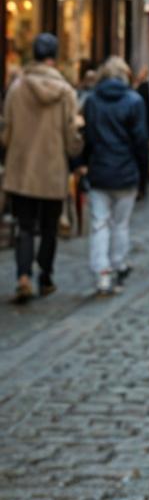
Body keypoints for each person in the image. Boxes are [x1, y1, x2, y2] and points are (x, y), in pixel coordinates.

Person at [1, 32, 83, 302]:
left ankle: (23, 277)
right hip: (52, 169)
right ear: (54, 57)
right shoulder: (65, 92)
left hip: (22, 169)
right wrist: (75, 153)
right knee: (49, 228)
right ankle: (45, 277)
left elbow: (6, 132)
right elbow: (72, 135)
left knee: (24, 226)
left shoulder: (17, 87)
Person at [82, 56, 148, 295]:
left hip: (99, 170)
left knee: (99, 223)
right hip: (126, 171)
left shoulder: (92, 102)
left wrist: (84, 165)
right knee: (120, 224)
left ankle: (102, 272)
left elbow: (87, 138)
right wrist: (142, 173)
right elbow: (141, 141)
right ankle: (118, 264)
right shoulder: (134, 101)